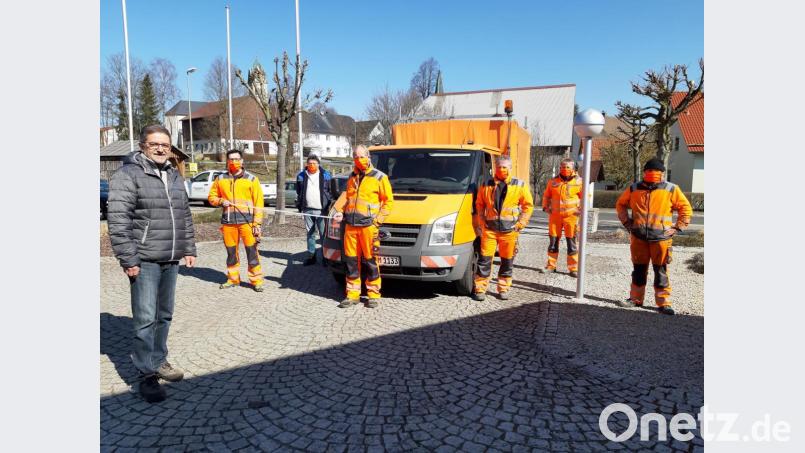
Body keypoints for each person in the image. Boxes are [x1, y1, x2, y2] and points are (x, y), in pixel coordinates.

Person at [108, 124, 197, 403]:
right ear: (142, 146)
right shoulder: (128, 174)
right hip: (144, 260)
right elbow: (118, 219)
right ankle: (146, 374)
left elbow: (184, 214)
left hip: (171, 257)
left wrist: (189, 247)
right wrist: (128, 258)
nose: (160, 148)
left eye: (165, 145)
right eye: (154, 144)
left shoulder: (173, 175)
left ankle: (159, 360)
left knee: (164, 314)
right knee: (146, 318)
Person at [615, 158, 692, 315]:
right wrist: (627, 223)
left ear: (663, 174)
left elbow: (685, 208)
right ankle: (635, 299)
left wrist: (677, 227)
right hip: (639, 237)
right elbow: (620, 204)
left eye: (657, 173)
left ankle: (664, 303)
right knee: (638, 270)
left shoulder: (671, 189)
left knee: (661, 271)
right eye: (650, 172)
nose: (653, 175)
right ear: (644, 172)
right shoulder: (634, 188)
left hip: (661, 239)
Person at [331, 145, 394, 308]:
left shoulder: (380, 177)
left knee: (370, 262)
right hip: (351, 227)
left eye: (361, 156)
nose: (359, 160)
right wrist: (340, 212)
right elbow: (347, 198)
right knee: (351, 262)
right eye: (356, 157)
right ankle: (352, 295)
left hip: (368, 227)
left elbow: (388, 202)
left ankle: (373, 295)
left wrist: (377, 221)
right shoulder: (352, 178)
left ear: (368, 157)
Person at [472, 155, 534, 301]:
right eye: (499, 166)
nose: (502, 169)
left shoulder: (519, 185)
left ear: (510, 168)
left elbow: (528, 206)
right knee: (484, 260)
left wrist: (520, 224)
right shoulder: (486, 184)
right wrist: (481, 223)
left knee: (507, 261)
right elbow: (479, 204)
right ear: (495, 167)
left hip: (510, 231)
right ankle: (480, 289)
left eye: (505, 167)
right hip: (489, 230)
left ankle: (503, 288)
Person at [208, 149, 265, 292]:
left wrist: (257, 224)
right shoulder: (220, 179)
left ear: (242, 161)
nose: (234, 162)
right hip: (228, 224)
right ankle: (233, 279)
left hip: (248, 222)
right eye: (231, 159)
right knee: (231, 253)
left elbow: (259, 203)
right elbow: (211, 197)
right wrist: (221, 201)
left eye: (237, 159)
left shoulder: (252, 179)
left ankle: (256, 280)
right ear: (227, 161)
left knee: (252, 252)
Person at [541, 158, 583, 277]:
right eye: (562, 167)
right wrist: (545, 207)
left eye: (567, 167)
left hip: (572, 217)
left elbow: (585, 197)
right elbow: (546, 196)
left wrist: (581, 210)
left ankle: (573, 268)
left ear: (573, 169)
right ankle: (551, 266)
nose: (564, 169)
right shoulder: (553, 182)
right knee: (553, 242)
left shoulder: (579, 182)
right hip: (555, 217)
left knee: (572, 243)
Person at [295, 154, 333, 265]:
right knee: (310, 233)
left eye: (314, 163)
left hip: (321, 210)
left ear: (318, 164)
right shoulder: (301, 176)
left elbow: (330, 190)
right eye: (310, 163)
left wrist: (328, 202)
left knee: (323, 234)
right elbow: (299, 191)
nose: (312, 165)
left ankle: (326, 258)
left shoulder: (325, 175)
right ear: (307, 164)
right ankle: (311, 256)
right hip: (307, 209)